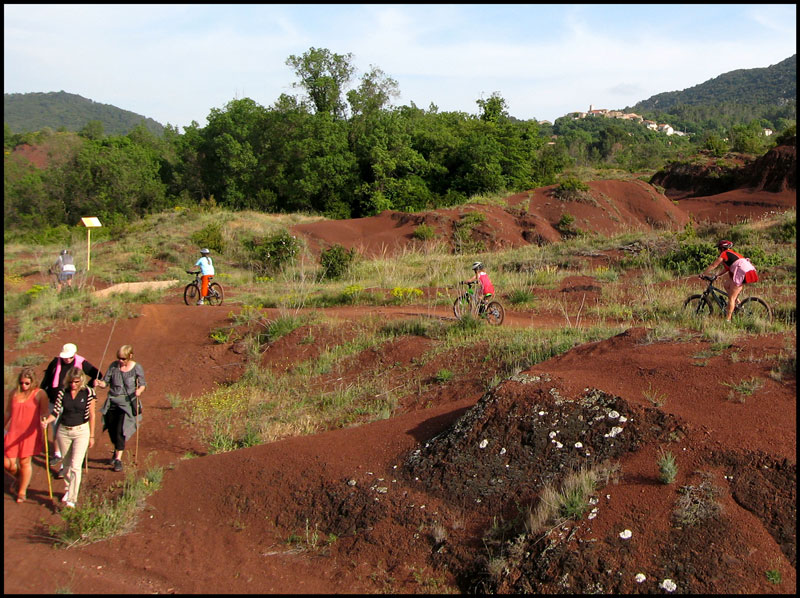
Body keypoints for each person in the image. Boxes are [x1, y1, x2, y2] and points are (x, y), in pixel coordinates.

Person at [41, 368, 96, 508]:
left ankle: (72, 498)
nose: (73, 385)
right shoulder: (62, 392)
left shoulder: (88, 393)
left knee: (76, 466)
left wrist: (92, 435)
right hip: (64, 431)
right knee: (66, 466)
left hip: (81, 431)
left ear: (81, 380)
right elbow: (56, 411)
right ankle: (68, 489)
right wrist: (47, 421)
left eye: (76, 382)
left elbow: (92, 415)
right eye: (71, 382)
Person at [41, 343, 102, 462]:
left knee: (68, 428)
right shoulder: (55, 362)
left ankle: (71, 457)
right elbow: (46, 379)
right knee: (56, 429)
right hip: (55, 400)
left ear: (74, 355)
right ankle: (58, 454)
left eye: (70, 357)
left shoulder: (81, 362)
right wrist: (43, 393)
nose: (67, 359)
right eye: (65, 357)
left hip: (73, 402)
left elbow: (97, 374)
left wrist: (86, 387)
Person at [96, 345, 146, 472]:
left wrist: (139, 391)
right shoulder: (113, 366)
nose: (121, 361)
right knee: (111, 430)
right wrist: (99, 383)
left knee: (120, 430)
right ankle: (116, 450)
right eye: (119, 358)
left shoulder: (136, 368)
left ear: (130, 356)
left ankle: (118, 459)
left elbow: (142, 384)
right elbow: (105, 382)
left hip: (127, 404)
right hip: (112, 402)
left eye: (123, 358)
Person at [4, 368, 49, 503]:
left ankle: (22, 492)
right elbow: (8, 413)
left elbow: (45, 412)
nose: (24, 386)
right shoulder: (14, 393)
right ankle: (20, 476)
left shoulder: (40, 394)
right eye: (22, 383)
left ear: (33, 382)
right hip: (13, 432)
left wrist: (45, 420)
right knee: (8, 463)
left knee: (25, 462)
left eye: (27, 383)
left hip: (30, 433)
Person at [700, 240, 759, 322]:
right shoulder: (732, 254)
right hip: (748, 270)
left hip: (742, 271)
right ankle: (738, 303)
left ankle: (727, 320)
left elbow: (714, 265)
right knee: (726, 285)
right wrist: (717, 275)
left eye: (719, 249)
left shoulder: (724, 253)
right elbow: (726, 269)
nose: (718, 251)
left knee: (731, 297)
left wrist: (704, 273)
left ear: (722, 248)